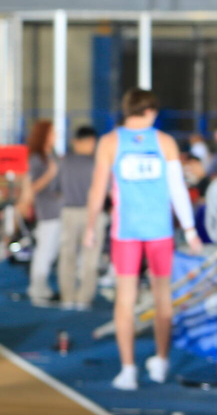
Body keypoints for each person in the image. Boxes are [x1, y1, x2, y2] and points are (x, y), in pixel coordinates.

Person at [86, 89, 202, 390]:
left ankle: (128, 369)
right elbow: (178, 188)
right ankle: (161, 361)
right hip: (159, 230)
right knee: (163, 298)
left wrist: (90, 226)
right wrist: (189, 230)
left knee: (125, 299)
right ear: (151, 111)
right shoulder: (164, 142)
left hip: (126, 231)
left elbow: (98, 190)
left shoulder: (111, 142)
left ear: (126, 111)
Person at [57, 126, 105, 310]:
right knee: (89, 258)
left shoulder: (64, 162)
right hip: (93, 213)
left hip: (69, 212)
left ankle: (68, 297)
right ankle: (83, 298)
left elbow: (56, 188)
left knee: (67, 256)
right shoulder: (98, 163)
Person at [20, 120, 61, 306]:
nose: (56, 136)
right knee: (44, 252)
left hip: (58, 208)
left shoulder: (51, 155)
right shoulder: (36, 158)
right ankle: (36, 289)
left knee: (51, 252)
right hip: (46, 210)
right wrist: (50, 174)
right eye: (53, 133)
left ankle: (42, 287)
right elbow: (31, 189)